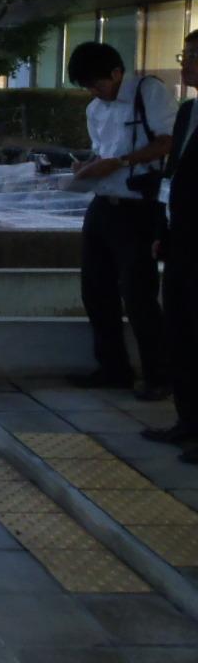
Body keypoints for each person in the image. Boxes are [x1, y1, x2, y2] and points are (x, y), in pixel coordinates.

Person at [66, 41, 175, 401]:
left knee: (138, 292)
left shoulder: (149, 92)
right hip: (104, 201)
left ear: (116, 72)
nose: (95, 92)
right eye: (88, 87)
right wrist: (87, 167)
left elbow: (166, 143)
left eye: (98, 84)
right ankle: (113, 367)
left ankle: (158, 375)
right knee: (95, 288)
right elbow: (102, 151)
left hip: (138, 206)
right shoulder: (96, 108)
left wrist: (123, 161)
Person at [144, 30, 198, 462]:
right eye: (185, 54)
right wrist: (162, 230)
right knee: (179, 328)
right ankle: (187, 418)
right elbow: (172, 173)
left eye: (193, 56)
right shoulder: (188, 112)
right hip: (180, 239)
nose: (185, 64)